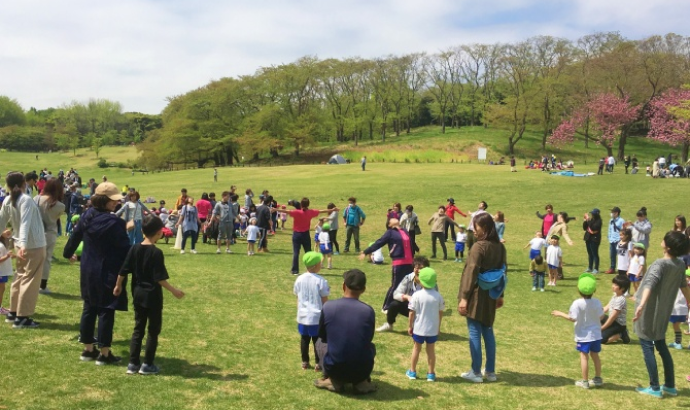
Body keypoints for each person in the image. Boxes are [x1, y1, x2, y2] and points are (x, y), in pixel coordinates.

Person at [64, 182, 130, 364]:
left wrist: (68, 253)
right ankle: (105, 353)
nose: (116, 203)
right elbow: (125, 249)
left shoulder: (86, 216)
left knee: (89, 306)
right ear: (105, 201)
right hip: (108, 270)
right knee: (106, 309)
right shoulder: (115, 222)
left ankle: (88, 350)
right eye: (114, 200)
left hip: (88, 269)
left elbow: (74, 236)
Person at [114, 216, 185, 375]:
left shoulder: (134, 248)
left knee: (138, 329)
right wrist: (174, 291)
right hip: (152, 297)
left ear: (142, 231)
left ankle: (132, 364)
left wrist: (118, 286)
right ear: (160, 233)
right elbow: (159, 278)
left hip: (138, 295)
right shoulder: (156, 253)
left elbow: (123, 270)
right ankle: (147, 364)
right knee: (153, 330)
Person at [632, 231, 690, 398]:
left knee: (647, 346)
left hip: (649, 312)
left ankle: (655, 387)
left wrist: (641, 305)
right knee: (662, 346)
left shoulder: (660, 264)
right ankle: (670, 386)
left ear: (668, 246)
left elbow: (649, 284)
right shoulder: (679, 264)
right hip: (663, 313)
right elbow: (684, 286)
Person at [458, 213, 506, 383]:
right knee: (488, 330)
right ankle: (490, 372)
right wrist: (500, 295)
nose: (473, 230)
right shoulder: (500, 247)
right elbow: (503, 272)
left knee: (474, 331)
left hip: (476, 294)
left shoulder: (479, 247)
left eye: (475, 227)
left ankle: (476, 371)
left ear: (484, 228)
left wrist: (464, 297)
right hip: (492, 293)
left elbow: (471, 272)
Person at [313, 269, 377, 394]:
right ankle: (361, 382)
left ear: (343, 286)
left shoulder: (328, 306)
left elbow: (322, 335)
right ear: (363, 289)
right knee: (371, 346)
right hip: (361, 370)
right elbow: (368, 339)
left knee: (320, 342)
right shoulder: (368, 311)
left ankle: (332, 379)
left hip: (335, 368)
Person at [0, 172, 47, 329]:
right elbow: (26, 223)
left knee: (19, 277)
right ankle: (23, 317)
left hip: (20, 244)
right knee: (30, 280)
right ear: (23, 184)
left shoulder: (8, 199)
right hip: (32, 245)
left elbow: (1, 222)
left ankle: (13, 312)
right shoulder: (25, 199)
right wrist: (25, 244)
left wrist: (21, 243)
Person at [551, 273, 604, 389]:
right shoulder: (597, 302)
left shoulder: (577, 303)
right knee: (595, 356)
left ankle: (585, 382)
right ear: (594, 290)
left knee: (584, 357)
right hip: (596, 335)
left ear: (578, 290)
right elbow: (601, 316)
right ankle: (598, 378)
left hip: (584, 336)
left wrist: (560, 314)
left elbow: (572, 318)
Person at [361, 218, 414, 311]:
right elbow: (379, 243)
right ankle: (386, 306)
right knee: (396, 284)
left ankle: (406, 304)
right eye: (392, 219)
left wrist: (416, 249)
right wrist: (366, 252)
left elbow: (411, 242)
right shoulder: (390, 232)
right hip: (399, 262)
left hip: (410, 262)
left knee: (409, 284)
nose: (395, 218)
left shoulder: (404, 230)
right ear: (389, 224)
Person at [406, 267, 444, 382]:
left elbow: (411, 312)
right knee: (431, 351)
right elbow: (440, 313)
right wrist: (438, 327)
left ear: (420, 281)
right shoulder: (438, 296)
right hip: (432, 329)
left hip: (419, 328)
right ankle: (431, 374)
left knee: (416, 349)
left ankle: (412, 372)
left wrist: (410, 326)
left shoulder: (416, 296)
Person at [294, 251, 330, 371]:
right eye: (320, 263)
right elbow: (324, 299)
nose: (321, 264)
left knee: (304, 338)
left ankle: (305, 361)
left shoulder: (299, 279)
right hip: (316, 316)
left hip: (303, 315)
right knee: (317, 340)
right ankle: (318, 363)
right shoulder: (321, 281)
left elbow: (297, 296)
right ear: (315, 265)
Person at [376, 255, 432, 332]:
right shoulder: (408, 278)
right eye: (417, 268)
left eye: (421, 269)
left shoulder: (430, 281)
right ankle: (389, 324)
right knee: (394, 304)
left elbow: (433, 299)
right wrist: (407, 297)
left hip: (423, 309)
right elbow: (396, 294)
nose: (418, 271)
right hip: (409, 306)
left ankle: (423, 325)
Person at [284, 198, 335, 275]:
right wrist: (332, 209)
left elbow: (286, 211)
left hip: (296, 235)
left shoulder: (297, 212)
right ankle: (312, 269)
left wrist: (275, 209)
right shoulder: (310, 212)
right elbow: (321, 211)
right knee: (309, 252)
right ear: (308, 204)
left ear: (301, 204)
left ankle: (295, 271)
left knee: (296, 253)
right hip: (305, 234)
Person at [34, 178, 65, 294]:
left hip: (36, 232)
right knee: (46, 259)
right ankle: (43, 285)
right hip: (50, 233)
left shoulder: (36, 199)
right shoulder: (60, 206)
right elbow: (56, 218)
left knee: (34, 258)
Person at [600, 275, 631, 344]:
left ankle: (621, 334)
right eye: (613, 283)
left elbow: (612, 318)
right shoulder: (615, 295)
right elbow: (606, 308)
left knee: (601, 339)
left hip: (618, 325)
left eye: (616, 285)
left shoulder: (621, 300)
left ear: (622, 288)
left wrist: (602, 328)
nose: (613, 286)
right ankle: (609, 332)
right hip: (613, 322)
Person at [668, 275, 690, 350]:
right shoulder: (685, 287)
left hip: (677, 309)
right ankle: (677, 342)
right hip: (681, 309)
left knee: (675, 325)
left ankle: (678, 343)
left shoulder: (677, 287)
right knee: (675, 325)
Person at [582, 209, 602, 274]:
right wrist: (585, 221)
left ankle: (596, 268)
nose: (592, 215)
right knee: (590, 253)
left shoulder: (599, 221)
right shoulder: (591, 220)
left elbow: (593, 228)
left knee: (595, 254)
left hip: (595, 239)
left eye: (593, 214)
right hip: (588, 238)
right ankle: (590, 267)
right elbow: (585, 228)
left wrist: (588, 220)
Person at [605, 207, 624, 274]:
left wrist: (622, 239)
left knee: (620, 255)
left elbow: (623, 230)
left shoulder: (621, 221)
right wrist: (609, 237)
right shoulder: (611, 220)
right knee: (612, 255)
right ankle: (612, 268)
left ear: (617, 213)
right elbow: (609, 229)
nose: (612, 213)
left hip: (618, 240)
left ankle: (620, 268)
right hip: (612, 240)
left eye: (613, 212)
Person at [0, 232, 15, 315]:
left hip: (3, 272)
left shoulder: (3, 244)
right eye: (4, 229)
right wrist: (7, 256)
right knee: (1, 290)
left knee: (2, 290)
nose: (7, 230)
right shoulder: (0, 246)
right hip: (1, 272)